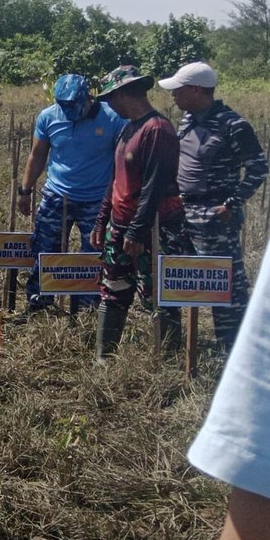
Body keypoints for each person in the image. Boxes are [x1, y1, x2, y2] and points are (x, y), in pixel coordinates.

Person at [160, 61, 270, 351]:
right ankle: (181, 347)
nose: (173, 96)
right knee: (183, 279)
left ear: (196, 90)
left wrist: (231, 204)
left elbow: (259, 168)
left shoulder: (233, 124)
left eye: (178, 90)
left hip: (215, 217)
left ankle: (233, 350)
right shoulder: (186, 120)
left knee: (226, 286)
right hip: (184, 214)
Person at [187, 216, 270, 540]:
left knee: (226, 304)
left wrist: (227, 204)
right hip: (181, 222)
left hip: (213, 225)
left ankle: (227, 344)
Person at [89, 65, 192, 360]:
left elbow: (154, 186)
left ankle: (168, 360)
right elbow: (116, 179)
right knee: (113, 290)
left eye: (110, 98)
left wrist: (137, 231)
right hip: (120, 226)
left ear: (124, 94)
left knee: (158, 295)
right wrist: (102, 219)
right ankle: (104, 359)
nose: (108, 104)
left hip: (153, 229)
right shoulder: (128, 128)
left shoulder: (157, 130)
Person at [15, 74, 127, 316]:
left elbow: (123, 160)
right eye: (63, 106)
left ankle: (86, 310)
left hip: (96, 201)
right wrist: (25, 190)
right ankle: (39, 305)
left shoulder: (113, 117)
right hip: (56, 197)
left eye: (73, 105)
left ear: (88, 96)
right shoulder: (48, 117)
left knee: (93, 256)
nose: (67, 111)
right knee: (45, 251)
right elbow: (37, 155)